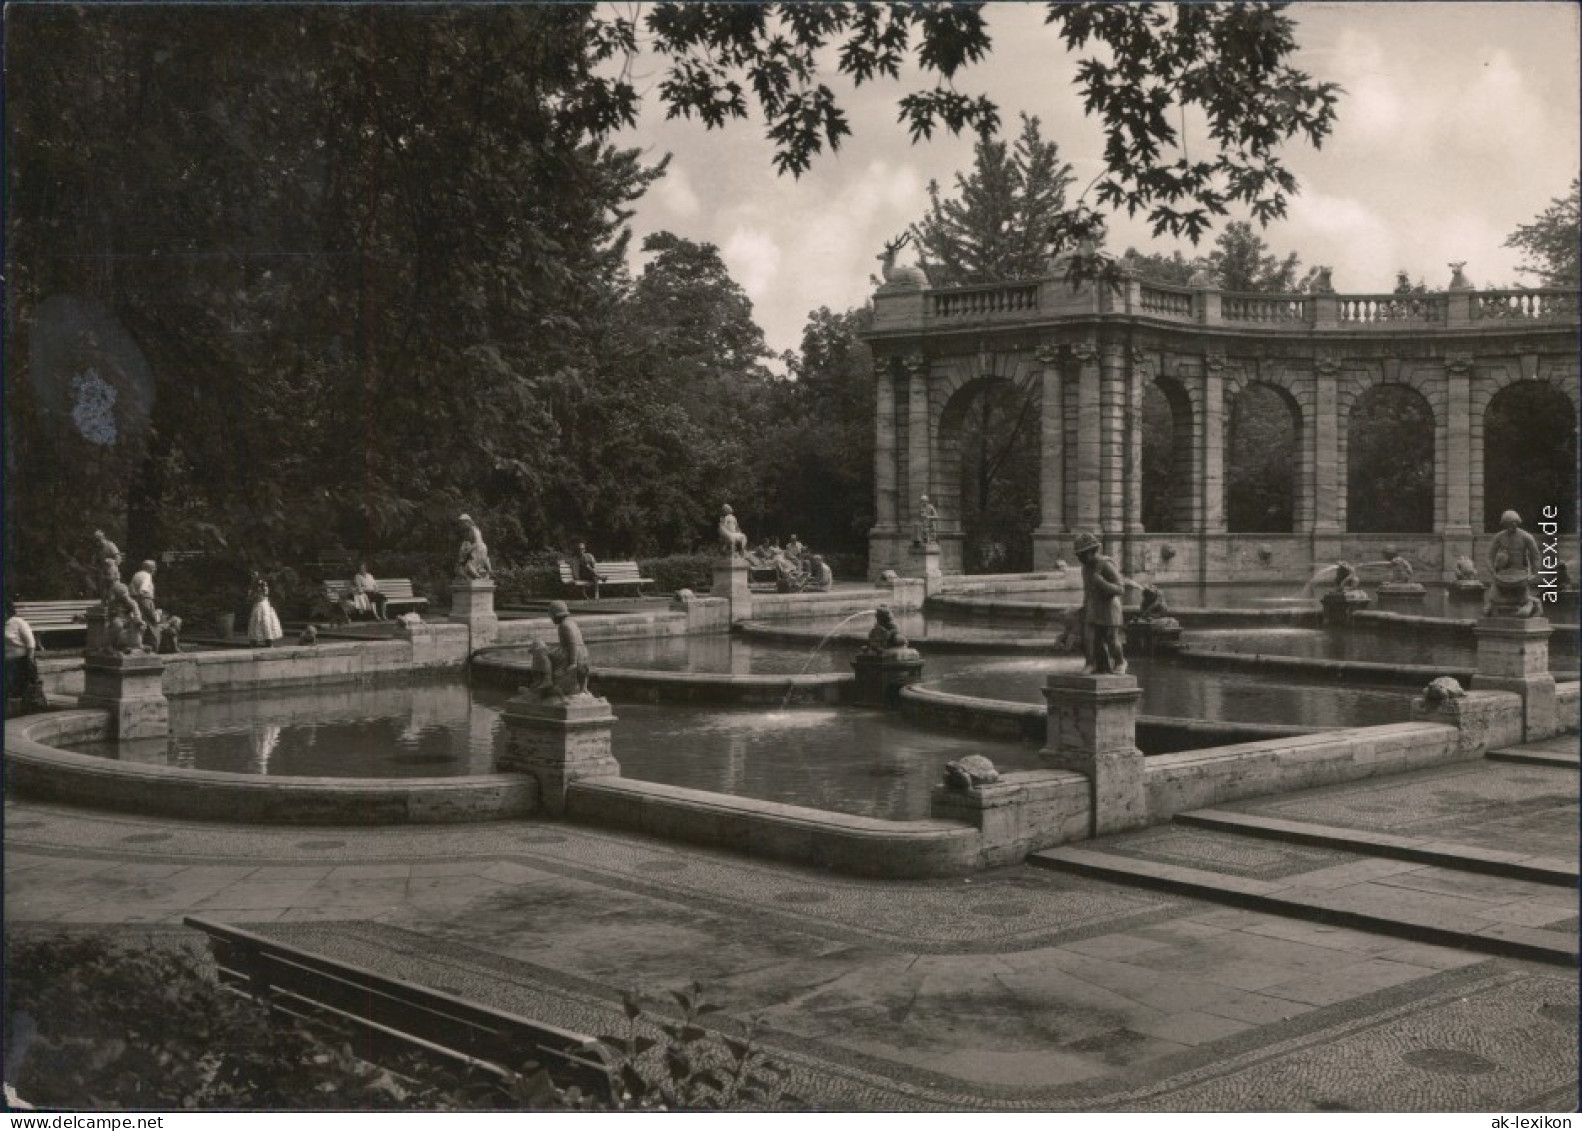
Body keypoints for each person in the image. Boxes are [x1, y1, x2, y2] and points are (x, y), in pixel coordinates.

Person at [1074, 532, 1127, 675]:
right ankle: (1091, 663)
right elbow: (1087, 590)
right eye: (1078, 555)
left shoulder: (1105, 564)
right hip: (1093, 606)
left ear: (1091, 551)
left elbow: (1120, 588)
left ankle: (1120, 661)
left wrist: (1102, 583)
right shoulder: (1085, 568)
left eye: (1082, 555)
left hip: (1109, 607)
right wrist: (1084, 607)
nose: (1080, 558)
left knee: (1111, 639)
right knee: (1089, 638)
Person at [548, 600, 590, 696]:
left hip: (574, 653)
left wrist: (573, 662)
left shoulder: (564, 625)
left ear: (556, 615)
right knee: (583, 671)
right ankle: (583, 688)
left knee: (550, 657)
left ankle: (555, 684)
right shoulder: (571, 622)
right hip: (582, 651)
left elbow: (572, 643)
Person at [6, 597, 42, 703]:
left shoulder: (18, 622)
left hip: (19, 661)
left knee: (17, 688)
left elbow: (30, 642)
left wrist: (30, 659)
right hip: (5, 661)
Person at [248, 575, 283, 648]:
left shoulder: (264, 586)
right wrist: (254, 591)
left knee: (266, 622)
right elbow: (251, 597)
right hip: (257, 605)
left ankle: (269, 641)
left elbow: (265, 594)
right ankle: (254, 641)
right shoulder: (254, 588)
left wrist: (261, 587)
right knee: (256, 622)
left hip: (264, 605)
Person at [455, 514, 492, 579]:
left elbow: (477, 543)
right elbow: (467, 543)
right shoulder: (471, 530)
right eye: (461, 524)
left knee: (469, 565)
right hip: (479, 549)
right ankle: (483, 572)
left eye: (463, 523)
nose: (462, 525)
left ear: (467, 522)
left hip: (478, 549)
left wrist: (468, 550)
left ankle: (479, 574)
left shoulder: (473, 530)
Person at [92, 530, 123, 598]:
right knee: (103, 589)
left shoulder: (110, 545)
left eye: (98, 540)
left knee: (113, 588)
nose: (97, 542)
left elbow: (118, 558)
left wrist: (112, 565)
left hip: (111, 571)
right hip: (103, 572)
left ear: (102, 538)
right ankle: (104, 602)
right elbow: (96, 560)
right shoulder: (98, 549)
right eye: (96, 541)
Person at [128, 559, 158, 625]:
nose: (155, 569)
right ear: (149, 568)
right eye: (153, 567)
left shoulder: (136, 574)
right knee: (152, 621)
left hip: (135, 601)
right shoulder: (147, 576)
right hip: (145, 600)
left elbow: (130, 588)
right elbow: (143, 590)